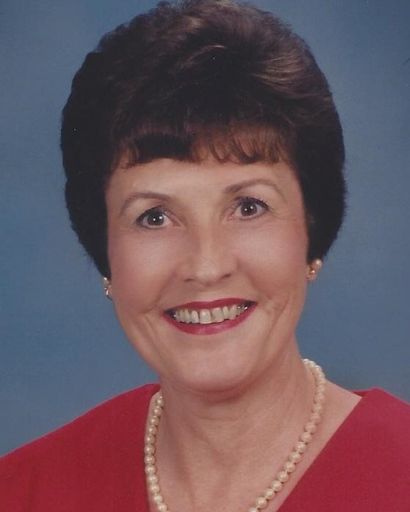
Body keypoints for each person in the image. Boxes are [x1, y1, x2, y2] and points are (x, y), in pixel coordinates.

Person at [1, 1, 409, 510]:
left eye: (248, 207)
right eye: (154, 217)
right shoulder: (22, 492)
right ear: (105, 253)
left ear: (312, 231)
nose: (206, 265)